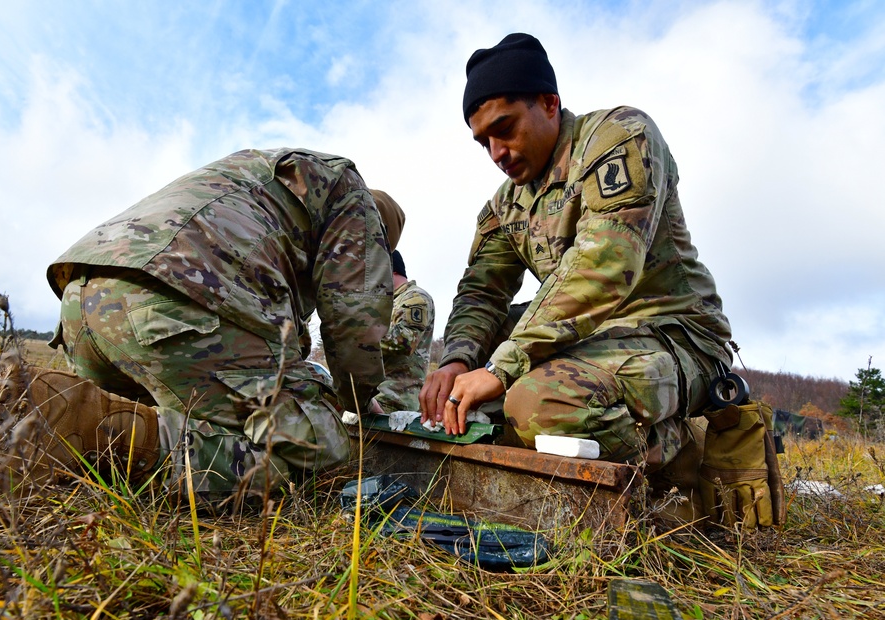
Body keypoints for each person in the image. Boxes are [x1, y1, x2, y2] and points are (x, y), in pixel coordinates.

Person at [419, 33, 735, 490]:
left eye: (505, 129)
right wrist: (458, 363)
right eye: (483, 142)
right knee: (465, 389)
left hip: (675, 335)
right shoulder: (504, 207)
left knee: (538, 405)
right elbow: (481, 293)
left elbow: (603, 267)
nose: (496, 154)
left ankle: (689, 449)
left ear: (549, 103)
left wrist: (501, 370)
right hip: (589, 344)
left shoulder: (617, 137)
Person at [39, 148, 404, 508]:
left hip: (83, 301)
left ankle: (50, 422)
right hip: (173, 306)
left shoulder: (270, 183)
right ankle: (88, 425)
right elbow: (356, 316)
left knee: (189, 423)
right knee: (314, 452)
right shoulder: (352, 197)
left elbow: (280, 337)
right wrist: (357, 395)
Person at [374, 250, 435, 412]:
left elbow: (405, 340)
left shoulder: (414, 298)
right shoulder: (387, 302)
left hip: (396, 399)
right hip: (377, 396)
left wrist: (356, 334)